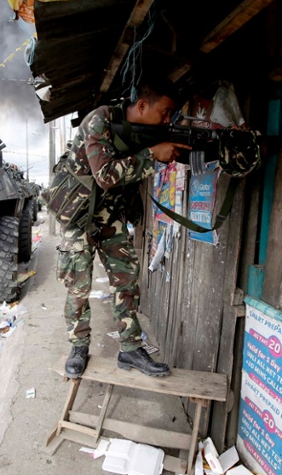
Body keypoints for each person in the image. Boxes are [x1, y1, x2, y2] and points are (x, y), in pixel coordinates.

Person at [58, 78, 191, 379]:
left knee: (127, 278)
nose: (167, 119)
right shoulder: (100, 120)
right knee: (79, 287)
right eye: (165, 111)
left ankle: (130, 348)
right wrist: (151, 155)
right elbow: (104, 175)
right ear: (143, 105)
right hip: (77, 215)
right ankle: (79, 346)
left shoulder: (146, 131)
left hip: (107, 214)